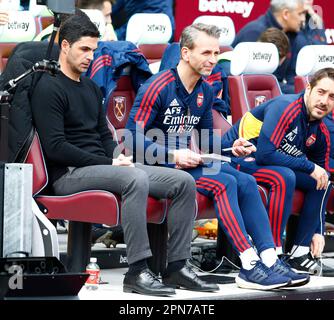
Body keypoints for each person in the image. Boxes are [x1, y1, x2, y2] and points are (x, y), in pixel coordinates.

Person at [31, 14, 219, 296]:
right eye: (84, 49)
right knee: (134, 179)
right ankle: (137, 271)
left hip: (100, 166)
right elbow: (55, 147)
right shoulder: (48, 86)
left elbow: (105, 136)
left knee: (183, 182)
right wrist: (110, 163)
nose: (90, 56)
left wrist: (118, 156)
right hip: (67, 174)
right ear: (65, 46)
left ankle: (177, 266)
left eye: (94, 50)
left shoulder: (92, 88)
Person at [125, 23, 310, 290]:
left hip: (188, 165)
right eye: (206, 53)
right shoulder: (158, 86)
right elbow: (131, 140)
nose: (213, 59)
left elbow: (207, 144)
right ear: (186, 53)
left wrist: (231, 147)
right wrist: (173, 155)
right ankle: (248, 265)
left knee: (245, 180)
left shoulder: (205, 90)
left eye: (215, 52)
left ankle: (270, 260)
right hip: (155, 167)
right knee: (225, 183)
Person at [222, 67, 334, 276]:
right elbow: (265, 154)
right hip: (236, 156)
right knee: (283, 176)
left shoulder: (321, 131)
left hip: (267, 161)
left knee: (322, 181)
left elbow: (322, 175)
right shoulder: (286, 107)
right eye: (321, 92)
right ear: (308, 89)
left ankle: (299, 254)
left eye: (332, 97)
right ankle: (273, 254)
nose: (325, 101)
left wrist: (318, 230)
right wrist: (309, 166)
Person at [232, 0, 306, 94]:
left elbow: (292, 76)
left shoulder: (295, 36)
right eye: (300, 14)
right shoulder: (254, 32)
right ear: (286, 14)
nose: (303, 19)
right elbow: (252, 80)